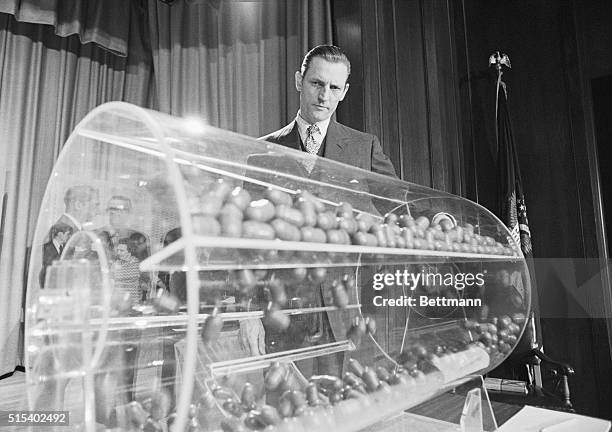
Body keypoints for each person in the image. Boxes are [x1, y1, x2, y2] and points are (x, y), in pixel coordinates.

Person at [259, 45, 398, 377]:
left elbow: (400, 205)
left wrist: (441, 219)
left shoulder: (364, 147)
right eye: (316, 83)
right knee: (283, 414)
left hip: (345, 309)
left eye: (334, 88)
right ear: (299, 81)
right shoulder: (263, 151)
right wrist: (251, 315)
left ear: (344, 92)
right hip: (283, 312)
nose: (324, 95)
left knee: (343, 411)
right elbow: (251, 248)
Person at [39, 222, 73, 287]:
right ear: (60, 234)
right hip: (49, 284)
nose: (69, 237)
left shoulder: (69, 249)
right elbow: (49, 265)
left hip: (63, 284)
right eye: (68, 234)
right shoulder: (45, 248)